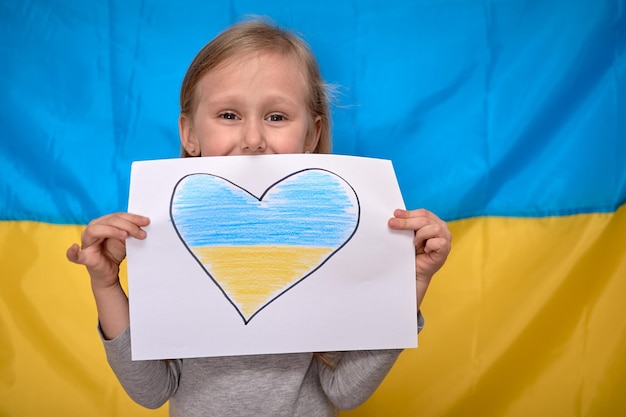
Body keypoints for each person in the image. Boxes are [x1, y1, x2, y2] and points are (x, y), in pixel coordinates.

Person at [66, 19, 452, 417]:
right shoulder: (167, 244)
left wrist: (412, 283)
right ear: (190, 134)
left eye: (277, 117)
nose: (253, 139)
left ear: (311, 135)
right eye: (229, 115)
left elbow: (346, 392)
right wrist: (107, 284)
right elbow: (151, 391)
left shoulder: (329, 241)